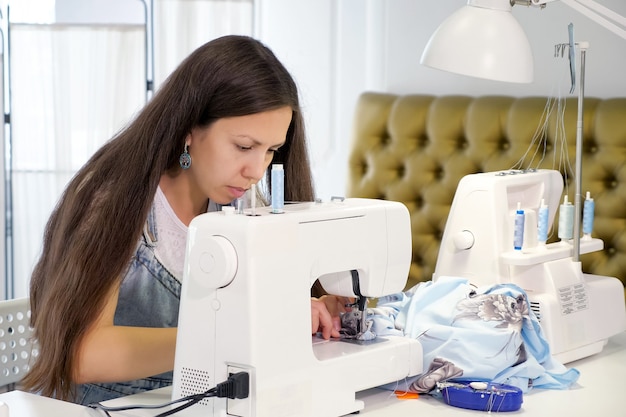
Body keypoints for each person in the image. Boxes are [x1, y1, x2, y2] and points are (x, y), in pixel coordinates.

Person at [21, 35, 349, 405]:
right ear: (190, 129)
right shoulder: (113, 201)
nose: (257, 170)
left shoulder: (241, 205)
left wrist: (318, 308)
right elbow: (82, 355)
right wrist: (228, 333)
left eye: (271, 150)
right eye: (244, 146)